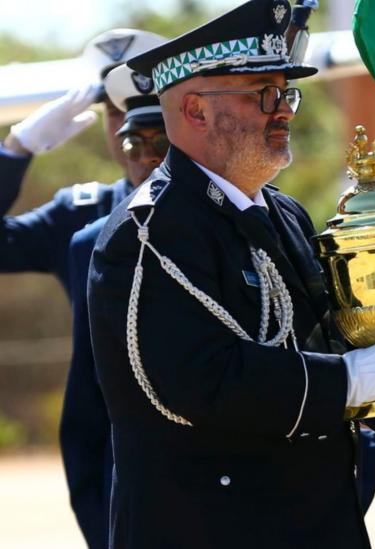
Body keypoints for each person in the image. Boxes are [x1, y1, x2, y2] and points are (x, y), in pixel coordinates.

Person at [87, 2, 375, 547]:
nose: (283, 111)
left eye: (287, 94)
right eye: (263, 94)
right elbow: (195, 381)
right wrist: (349, 382)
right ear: (194, 111)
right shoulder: (149, 231)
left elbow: (321, 339)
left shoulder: (283, 213)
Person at [61, 58, 168, 549]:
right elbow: (86, 406)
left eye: (160, 143)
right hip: (134, 492)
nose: (145, 156)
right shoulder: (87, 238)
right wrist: (14, 152)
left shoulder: (258, 217)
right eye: (132, 142)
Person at [0, 29, 165, 295]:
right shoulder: (80, 213)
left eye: (144, 111)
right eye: (115, 111)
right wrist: (15, 149)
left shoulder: (230, 202)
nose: (130, 127)